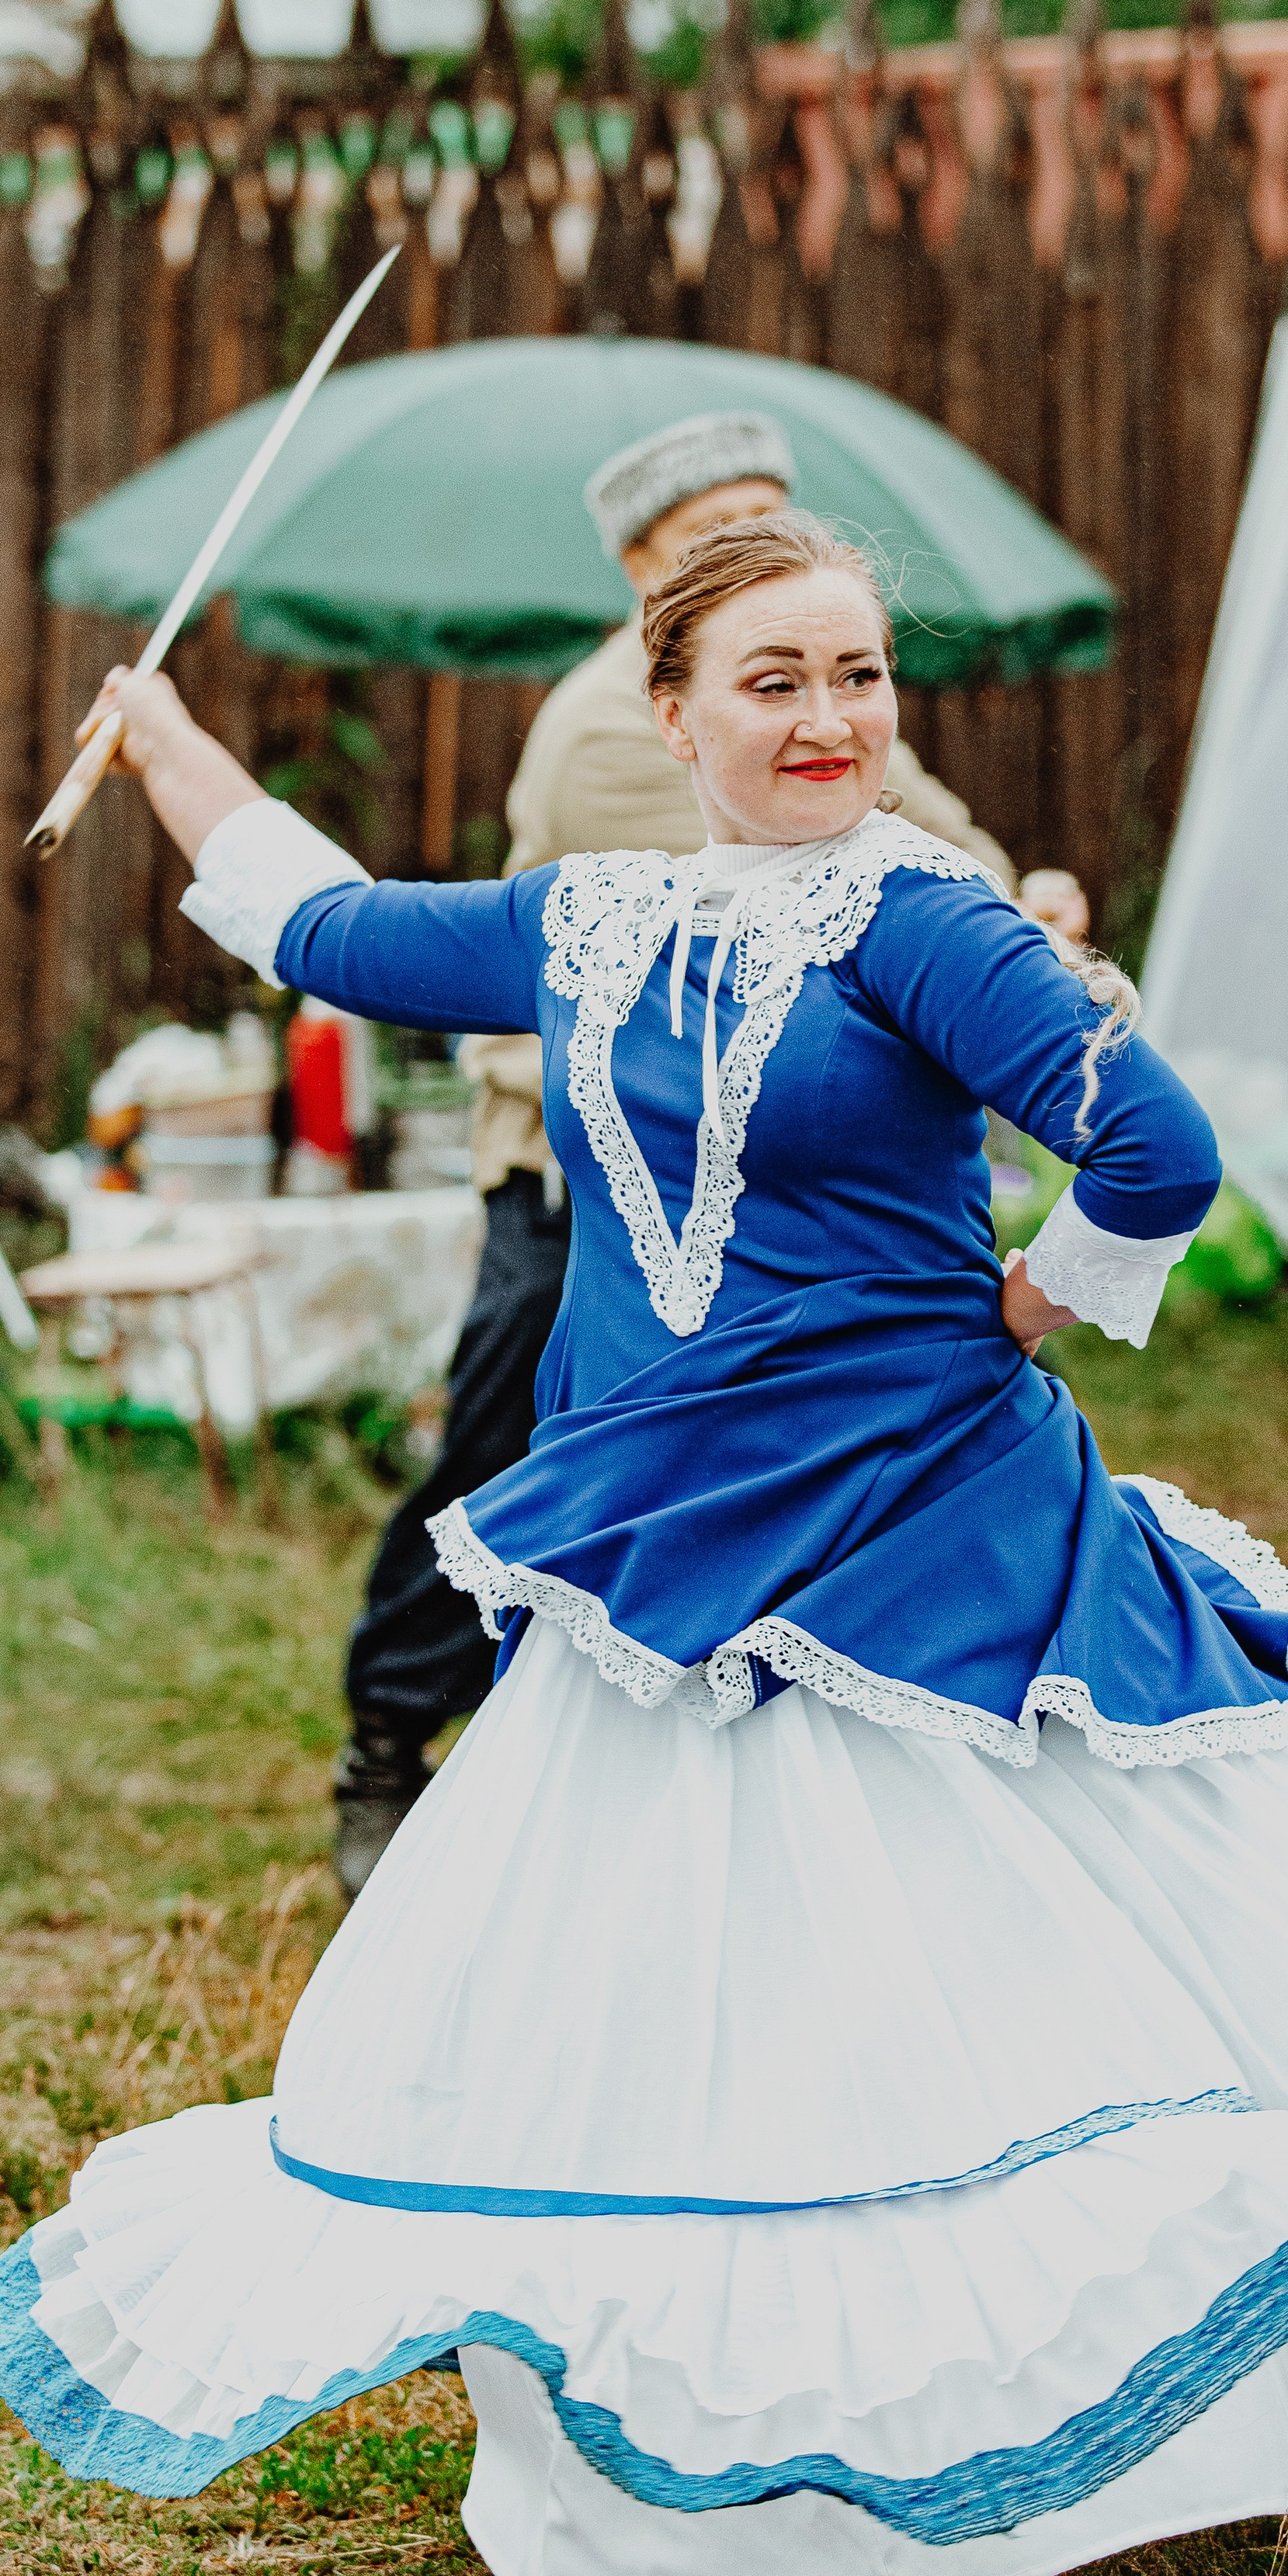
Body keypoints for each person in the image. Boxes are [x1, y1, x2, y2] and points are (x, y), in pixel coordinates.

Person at [0, 514, 1288, 2576]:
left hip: (932, 1538)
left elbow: (1154, 1146)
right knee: (761, 2032)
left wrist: (1036, 1301)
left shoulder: (920, 916)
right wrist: (163, 741)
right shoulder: (589, 918)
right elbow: (327, 926)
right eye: (772, 680)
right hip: (660, 1544)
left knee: (1211, 1970)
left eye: (857, 676)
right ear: (667, 711)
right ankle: (826, 2437)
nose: (826, 719)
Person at [335, 412, 1013, 1896]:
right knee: (517, 1460)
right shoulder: (618, 728)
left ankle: (771, 1794)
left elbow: (951, 857)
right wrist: (988, 941)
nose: (759, 547)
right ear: (645, 568)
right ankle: (392, 1739)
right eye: (718, 529)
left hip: (769, 1164)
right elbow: (794, 906)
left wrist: (1018, 930)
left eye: (775, 513)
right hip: (587, 1162)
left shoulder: (798, 681)